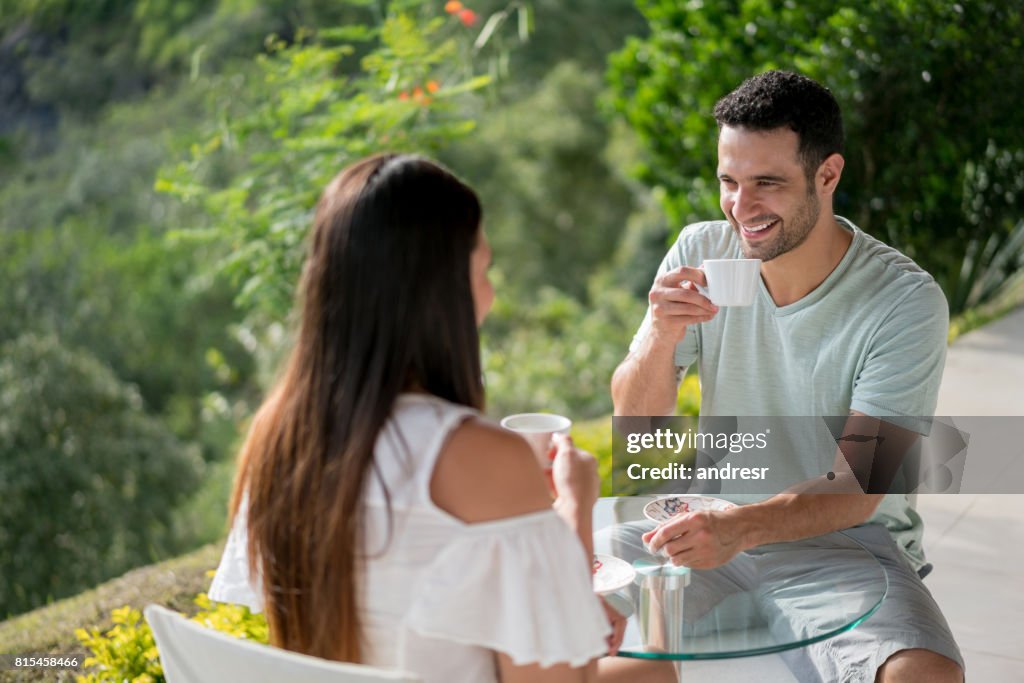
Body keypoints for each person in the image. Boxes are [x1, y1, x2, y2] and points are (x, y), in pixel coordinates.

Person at [208, 154, 674, 683]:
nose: (490, 295)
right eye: (483, 271)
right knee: (670, 668)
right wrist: (574, 508)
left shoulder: (280, 435)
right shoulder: (470, 453)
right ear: (440, 291)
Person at [610, 71, 964, 682]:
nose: (740, 210)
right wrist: (659, 334)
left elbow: (861, 483)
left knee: (923, 677)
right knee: (541, 617)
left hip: (843, 544)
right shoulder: (702, 250)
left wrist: (741, 527)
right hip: (700, 525)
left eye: (766, 184)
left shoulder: (903, 301)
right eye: (729, 182)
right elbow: (638, 427)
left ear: (828, 175)